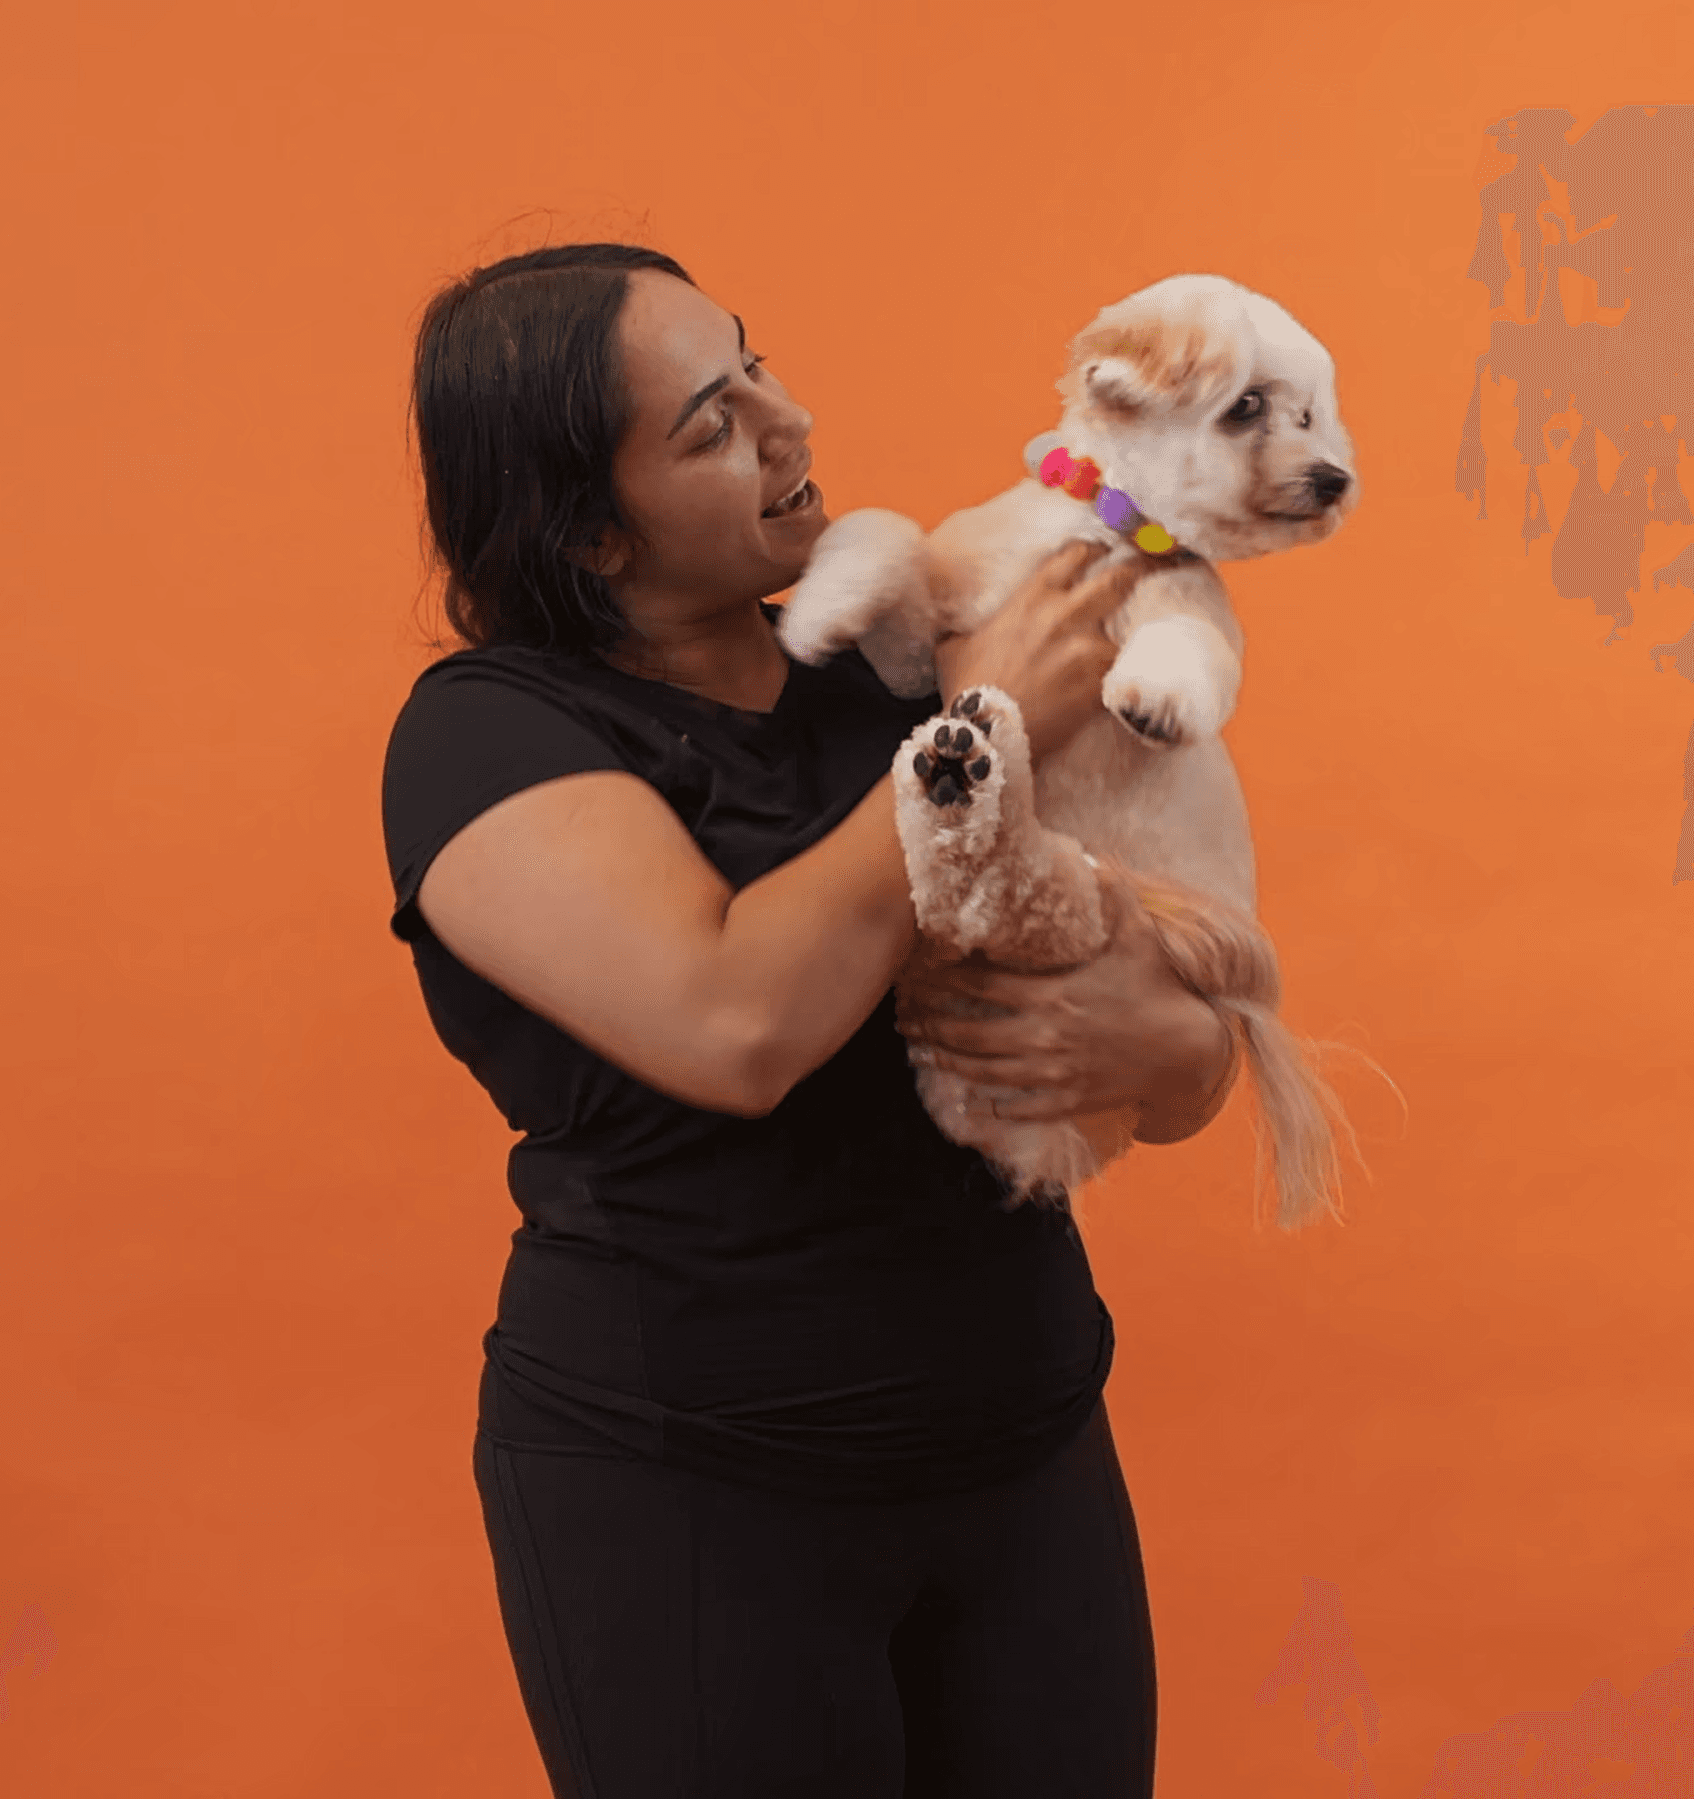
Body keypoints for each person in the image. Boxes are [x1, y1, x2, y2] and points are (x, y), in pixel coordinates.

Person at [380, 243, 1242, 1799]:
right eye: (710, 424)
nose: (791, 422)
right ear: (586, 528)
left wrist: (1170, 1048)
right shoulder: (488, 735)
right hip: (694, 1494)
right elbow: (737, 1022)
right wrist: (981, 732)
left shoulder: (884, 651)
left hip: (1025, 1452)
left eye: (757, 364)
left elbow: (1180, 1043)